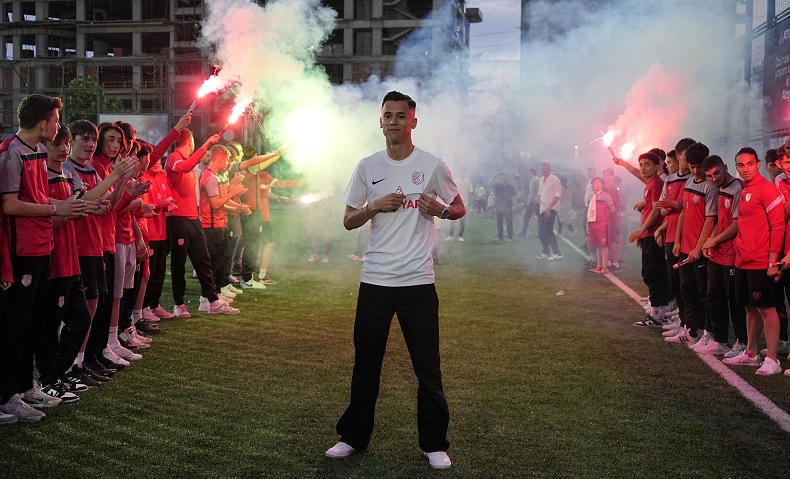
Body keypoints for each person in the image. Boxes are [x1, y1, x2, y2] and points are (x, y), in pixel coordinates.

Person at [326, 91, 464, 470]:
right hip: (375, 281)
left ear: (413, 122)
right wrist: (374, 206)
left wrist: (442, 211)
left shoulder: (432, 165)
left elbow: (459, 207)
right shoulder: (367, 166)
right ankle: (352, 437)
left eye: (401, 116)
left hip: (418, 283)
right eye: (388, 115)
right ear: (380, 121)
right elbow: (348, 220)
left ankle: (434, 444)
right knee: (366, 365)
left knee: (427, 368)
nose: (394, 122)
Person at [0, 94, 87, 422]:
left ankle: (25, 386)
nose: (58, 126)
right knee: (14, 327)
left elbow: (36, 199)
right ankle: (7, 395)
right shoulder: (12, 153)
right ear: (43, 122)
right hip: (21, 251)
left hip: (42, 247)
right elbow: (9, 205)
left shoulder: (36, 150)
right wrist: (55, 208)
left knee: (34, 325)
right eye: (56, 120)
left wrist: (68, 205)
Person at [724, 147, 784, 375]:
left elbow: (778, 226)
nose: (746, 169)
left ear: (758, 164)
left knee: (767, 309)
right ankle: (751, 353)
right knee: (750, 308)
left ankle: (773, 359)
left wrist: (772, 261)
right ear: (736, 167)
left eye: (750, 164)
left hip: (760, 260)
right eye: (741, 165)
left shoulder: (767, 189)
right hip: (743, 260)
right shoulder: (745, 189)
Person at [166, 128, 237, 316]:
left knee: (204, 260)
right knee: (179, 264)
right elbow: (184, 167)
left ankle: (212, 301)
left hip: (193, 218)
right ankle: (179, 304)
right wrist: (206, 145)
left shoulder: (190, 163)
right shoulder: (174, 158)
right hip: (178, 218)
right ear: (189, 141)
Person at [665, 142, 716, 340]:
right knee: (686, 289)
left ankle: (707, 332)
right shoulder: (689, 183)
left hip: (698, 249)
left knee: (704, 293)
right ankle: (691, 329)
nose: (695, 171)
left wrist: (698, 247)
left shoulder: (710, 186)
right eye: (692, 166)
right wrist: (678, 241)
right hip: (685, 247)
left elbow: (710, 220)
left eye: (698, 167)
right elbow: (684, 213)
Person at [699, 154, 745, 356]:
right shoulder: (719, 189)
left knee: (735, 300)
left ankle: (742, 342)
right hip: (718, 252)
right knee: (713, 295)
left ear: (725, 167)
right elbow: (720, 219)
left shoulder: (737, 188)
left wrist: (714, 240)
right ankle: (720, 340)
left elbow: (737, 224)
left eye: (716, 173)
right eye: (709, 176)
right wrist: (711, 240)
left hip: (733, 253)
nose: (714, 178)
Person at [627, 152, 669, 326]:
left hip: (652, 234)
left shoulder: (657, 183)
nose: (643, 168)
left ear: (657, 166)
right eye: (641, 164)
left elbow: (657, 210)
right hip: (648, 233)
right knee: (654, 273)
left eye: (647, 164)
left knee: (652, 274)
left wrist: (642, 230)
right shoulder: (651, 183)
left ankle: (656, 315)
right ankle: (660, 312)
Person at [586, 177, 614, 273]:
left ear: (602, 185)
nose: (597, 184)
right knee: (597, 245)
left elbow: (612, 209)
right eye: (595, 182)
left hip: (603, 223)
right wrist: (588, 225)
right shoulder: (591, 196)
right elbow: (589, 212)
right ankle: (598, 266)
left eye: (599, 182)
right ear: (592, 185)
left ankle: (604, 267)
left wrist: (603, 216)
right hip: (593, 223)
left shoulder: (606, 196)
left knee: (604, 245)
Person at [536, 162, 562, 259]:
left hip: (551, 208)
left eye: (546, 168)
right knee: (541, 232)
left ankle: (557, 253)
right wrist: (538, 198)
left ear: (550, 169)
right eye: (542, 168)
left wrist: (549, 207)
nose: (544, 170)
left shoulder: (555, 180)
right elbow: (540, 192)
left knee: (548, 230)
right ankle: (545, 252)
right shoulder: (541, 179)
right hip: (542, 208)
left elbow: (557, 195)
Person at [446, 168, 472, 241]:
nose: (462, 174)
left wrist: (469, 203)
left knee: (462, 221)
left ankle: (460, 236)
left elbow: (469, 193)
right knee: (452, 220)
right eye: (461, 172)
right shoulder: (455, 181)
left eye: (463, 172)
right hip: (455, 203)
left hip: (464, 203)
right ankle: (450, 236)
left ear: (464, 173)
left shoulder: (467, 182)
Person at [489, 172, 516, 242]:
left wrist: (513, 206)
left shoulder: (510, 187)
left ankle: (509, 237)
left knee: (509, 223)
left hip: (508, 207)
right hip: (499, 206)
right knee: (499, 223)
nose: (503, 179)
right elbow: (490, 183)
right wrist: (494, 175)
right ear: (500, 179)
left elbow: (513, 197)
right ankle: (500, 236)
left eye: (504, 177)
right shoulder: (498, 186)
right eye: (502, 178)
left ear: (507, 178)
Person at [517, 168, 540, 237]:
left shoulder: (533, 180)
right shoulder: (539, 179)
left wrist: (528, 201)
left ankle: (524, 232)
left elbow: (531, 192)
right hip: (539, 201)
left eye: (529, 173)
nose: (528, 174)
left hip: (533, 202)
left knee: (526, 217)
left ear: (533, 173)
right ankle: (540, 233)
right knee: (540, 218)